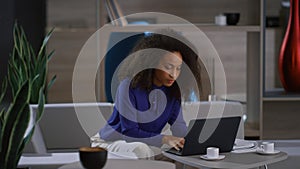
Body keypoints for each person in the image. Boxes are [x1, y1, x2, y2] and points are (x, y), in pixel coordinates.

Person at [92, 29, 204, 162]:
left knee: (174, 154)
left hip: (143, 145)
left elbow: (179, 127)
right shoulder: (128, 86)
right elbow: (129, 133)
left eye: (178, 68)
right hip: (108, 142)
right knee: (142, 150)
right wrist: (164, 139)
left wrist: (198, 142)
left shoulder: (173, 91)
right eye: (168, 67)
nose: (173, 74)